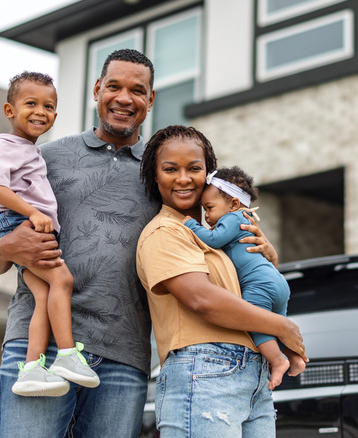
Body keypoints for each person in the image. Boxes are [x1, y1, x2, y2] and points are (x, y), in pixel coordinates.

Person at [0, 50, 304, 438]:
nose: (123, 98)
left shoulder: (161, 172)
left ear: (150, 100)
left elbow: (213, 239)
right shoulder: (43, 156)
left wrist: (261, 247)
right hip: (40, 346)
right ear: (97, 90)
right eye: (113, 86)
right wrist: (7, 248)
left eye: (137, 90)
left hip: (124, 356)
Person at [137, 125, 308, 436]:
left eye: (194, 168)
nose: (184, 178)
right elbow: (203, 299)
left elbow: (249, 283)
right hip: (203, 369)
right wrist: (280, 326)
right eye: (170, 169)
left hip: (252, 374)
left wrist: (269, 255)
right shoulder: (166, 231)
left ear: (210, 176)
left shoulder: (224, 236)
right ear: (155, 176)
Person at [0, 71, 99, 398]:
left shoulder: (28, 150)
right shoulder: (5, 145)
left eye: (48, 106)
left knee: (43, 296)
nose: (40, 111)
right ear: (9, 110)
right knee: (63, 281)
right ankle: (68, 356)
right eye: (31, 103)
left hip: (20, 221)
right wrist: (31, 213)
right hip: (21, 223)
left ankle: (31, 369)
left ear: (55, 116)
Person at [182, 166, 306, 390]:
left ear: (234, 204)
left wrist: (191, 224)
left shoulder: (232, 219)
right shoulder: (245, 218)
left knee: (256, 323)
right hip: (276, 281)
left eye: (209, 208)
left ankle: (278, 361)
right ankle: (295, 356)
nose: (207, 215)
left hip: (258, 283)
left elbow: (214, 239)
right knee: (276, 324)